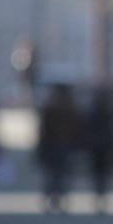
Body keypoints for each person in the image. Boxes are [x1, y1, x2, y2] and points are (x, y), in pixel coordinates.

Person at [36, 83, 82, 213]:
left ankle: (53, 201)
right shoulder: (70, 108)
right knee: (61, 175)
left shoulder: (53, 107)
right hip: (62, 145)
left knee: (54, 175)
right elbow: (77, 128)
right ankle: (59, 201)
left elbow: (43, 129)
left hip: (55, 145)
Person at [85, 87, 113, 214]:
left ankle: (99, 197)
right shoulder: (105, 115)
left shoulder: (99, 115)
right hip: (101, 148)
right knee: (101, 175)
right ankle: (100, 197)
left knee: (99, 175)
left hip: (98, 148)